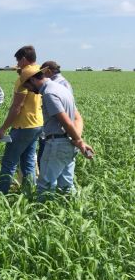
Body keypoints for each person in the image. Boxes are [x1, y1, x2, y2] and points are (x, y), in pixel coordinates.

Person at [19, 67, 93, 200]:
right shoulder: (61, 88)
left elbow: (65, 121)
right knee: (66, 184)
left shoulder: (49, 93)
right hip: (69, 143)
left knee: (45, 184)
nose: (28, 89)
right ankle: (73, 211)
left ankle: (43, 216)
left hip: (56, 144)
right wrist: (76, 139)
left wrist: (80, 141)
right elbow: (77, 118)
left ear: (34, 79)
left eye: (27, 85)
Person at [0, 46, 44, 193]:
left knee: (9, 161)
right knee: (28, 161)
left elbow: (17, 106)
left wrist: (3, 128)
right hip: (37, 124)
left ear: (23, 59)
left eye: (17, 60)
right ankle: (28, 192)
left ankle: (1, 192)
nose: (17, 63)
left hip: (23, 125)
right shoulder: (40, 72)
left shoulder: (24, 78)